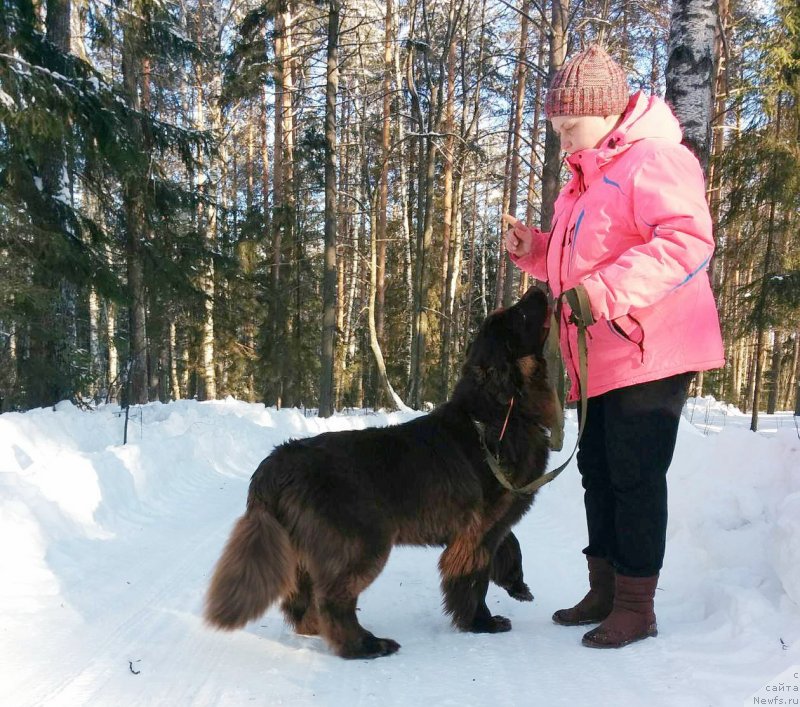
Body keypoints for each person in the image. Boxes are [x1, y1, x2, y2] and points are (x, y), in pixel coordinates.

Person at [503, 44, 724, 649]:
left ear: (606, 113)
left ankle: (636, 605)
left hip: (651, 350)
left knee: (633, 475)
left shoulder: (655, 159)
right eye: (556, 130)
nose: (564, 142)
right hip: (598, 355)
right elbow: (575, 263)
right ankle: (603, 589)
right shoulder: (584, 178)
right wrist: (533, 248)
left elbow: (686, 242)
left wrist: (600, 294)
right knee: (596, 473)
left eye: (570, 127)